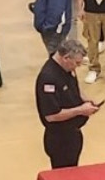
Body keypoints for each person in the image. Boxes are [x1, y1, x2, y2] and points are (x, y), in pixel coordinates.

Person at [36, 38, 100, 168]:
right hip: (60, 139)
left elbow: (74, 87)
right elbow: (51, 116)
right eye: (76, 63)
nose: (78, 67)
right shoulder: (49, 78)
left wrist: (85, 100)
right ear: (66, 58)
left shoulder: (68, 68)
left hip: (73, 133)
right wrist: (81, 110)